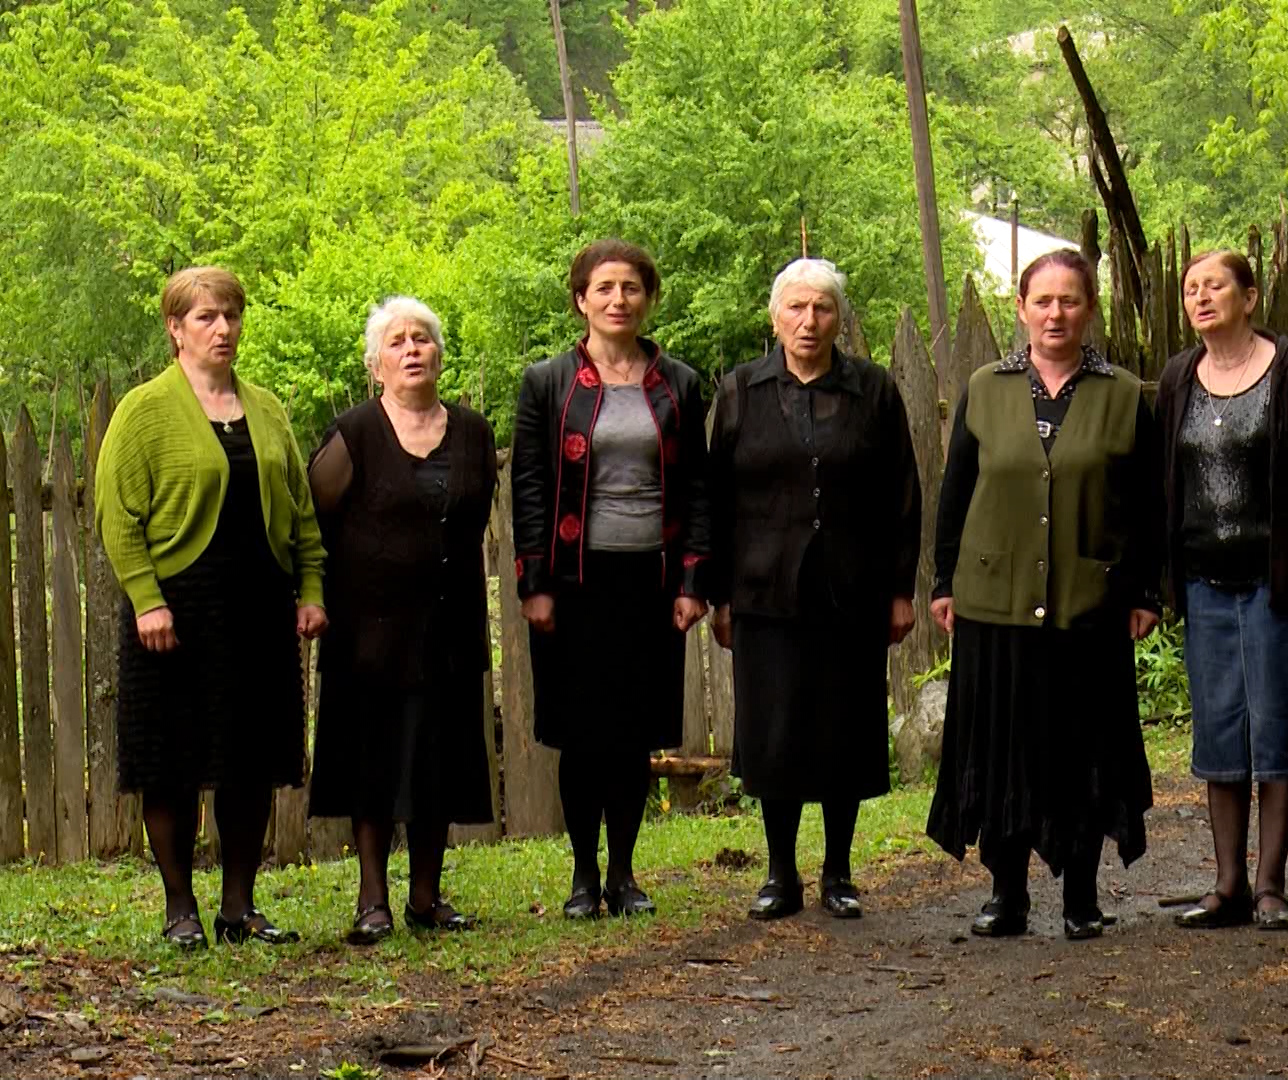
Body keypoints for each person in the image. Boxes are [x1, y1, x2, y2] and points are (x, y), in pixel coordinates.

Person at [926, 250, 1163, 941]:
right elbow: (955, 493)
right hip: (993, 604)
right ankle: (1007, 893)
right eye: (1043, 301)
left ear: (1089, 309)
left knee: (1082, 747)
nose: (1055, 314)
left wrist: (1146, 591)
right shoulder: (986, 387)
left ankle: (1080, 896)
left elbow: (1147, 506)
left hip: (1089, 606)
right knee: (1002, 747)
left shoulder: (1123, 394)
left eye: (1070, 300)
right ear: (1022, 309)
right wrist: (944, 581)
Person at [94, 266, 327, 949]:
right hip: (176, 612)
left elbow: (300, 509)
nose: (222, 328)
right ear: (175, 329)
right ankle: (179, 909)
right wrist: (147, 600)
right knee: (170, 761)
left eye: (231, 315)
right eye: (205, 317)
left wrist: (311, 588)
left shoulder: (267, 408)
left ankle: (239, 908)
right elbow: (118, 514)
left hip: (258, 607)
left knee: (250, 758)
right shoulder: (144, 410)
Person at [1157, 251, 1288, 931]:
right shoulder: (1178, 379)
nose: (1201, 297)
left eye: (1215, 285)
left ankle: (1271, 885)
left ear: (1249, 296)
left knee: (1278, 726)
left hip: (1281, 587)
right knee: (1220, 730)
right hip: (1204, 585)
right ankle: (1228, 885)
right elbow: (1161, 477)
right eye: (1191, 289)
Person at [707, 258, 921, 921]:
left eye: (822, 308)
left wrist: (900, 590)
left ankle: (838, 872)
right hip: (764, 593)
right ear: (775, 318)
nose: (809, 321)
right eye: (796, 308)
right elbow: (715, 501)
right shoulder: (740, 391)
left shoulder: (873, 391)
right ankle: (779, 873)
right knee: (774, 732)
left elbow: (902, 494)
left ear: (839, 318)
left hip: (851, 592)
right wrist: (718, 595)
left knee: (843, 729)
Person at [512, 239, 711, 919]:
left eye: (631, 288)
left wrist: (692, 580)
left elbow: (698, 488)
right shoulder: (547, 383)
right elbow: (529, 485)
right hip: (573, 584)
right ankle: (582, 875)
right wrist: (534, 583)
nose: (618, 300)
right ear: (581, 300)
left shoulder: (680, 383)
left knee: (631, 735)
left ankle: (624, 874)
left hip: (649, 581)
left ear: (648, 299)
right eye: (604, 288)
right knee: (580, 734)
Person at [307, 297, 497, 944]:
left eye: (422, 338)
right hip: (370, 630)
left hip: (449, 625)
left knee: (438, 757)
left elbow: (475, 516)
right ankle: (372, 900)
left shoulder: (474, 432)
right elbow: (314, 517)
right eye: (397, 341)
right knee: (373, 760)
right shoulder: (352, 433)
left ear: (439, 355)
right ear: (375, 364)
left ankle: (426, 897)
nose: (412, 349)